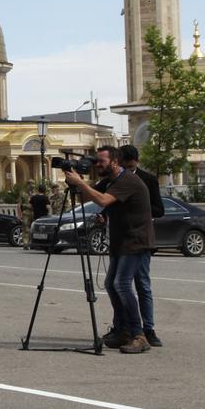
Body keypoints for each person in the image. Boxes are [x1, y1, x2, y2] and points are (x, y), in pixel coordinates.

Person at [65, 149, 155, 354]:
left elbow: (103, 200)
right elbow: (94, 199)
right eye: (96, 161)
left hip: (136, 241)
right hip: (121, 242)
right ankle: (123, 330)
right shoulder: (113, 181)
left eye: (101, 161)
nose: (97, 164)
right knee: (111, 284)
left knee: (121, 284)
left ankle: (139, 335)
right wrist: (75, 181)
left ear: (115, 162)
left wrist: (80, 182)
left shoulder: (127, 180)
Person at [119, 144, 164, 348]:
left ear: (136, 161)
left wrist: (139, 209)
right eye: (124, 167)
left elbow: (159, 209)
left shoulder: (148, 180)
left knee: (143, 285)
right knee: (120, 285)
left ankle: (149, 328)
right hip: (123, 239)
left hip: (141, 239)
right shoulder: (117, 179)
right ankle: (124, 327)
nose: (128, 170)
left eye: (130, 166)